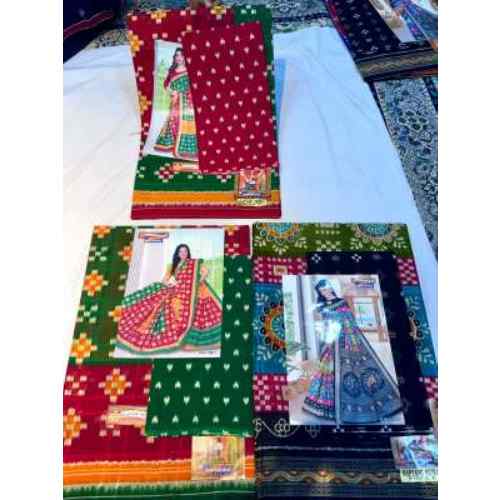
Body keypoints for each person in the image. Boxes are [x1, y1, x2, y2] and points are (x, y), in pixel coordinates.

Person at [303, 279, 403, 424]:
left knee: (360, 369)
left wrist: (350, 339)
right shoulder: (322, 307)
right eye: (321, 291)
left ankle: (369, 407)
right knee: (328, 372)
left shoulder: (342, 302)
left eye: (326, 289)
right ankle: (327, 407)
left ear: (330, 288)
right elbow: (325, 325)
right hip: (332, 342)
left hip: (350, 338)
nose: (325, 292)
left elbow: (350, 320)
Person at [117, 244, 222, 354]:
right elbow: (164, 281)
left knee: (185, 302)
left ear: (188, 253)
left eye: (185, 251)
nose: (183, 253)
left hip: (193, 289)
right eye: (180, 251)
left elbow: (206, 272)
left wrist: (196, 282)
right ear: (177, 253)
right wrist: (171, 284)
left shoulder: (193, 263)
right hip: (177, 288)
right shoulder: (172, 266)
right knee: (159, 295)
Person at [154, 48, 198, 160]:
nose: (179, 58)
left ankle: (186, 147)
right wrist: (172, 91)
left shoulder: (190, 70)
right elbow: (166, 84)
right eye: (177, 55)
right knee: (173, 121)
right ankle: (171, 144)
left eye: (181, 55)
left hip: (188, 103)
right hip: (175, 102)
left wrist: (183, 94)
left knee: (186, 122)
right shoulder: (172, 71)